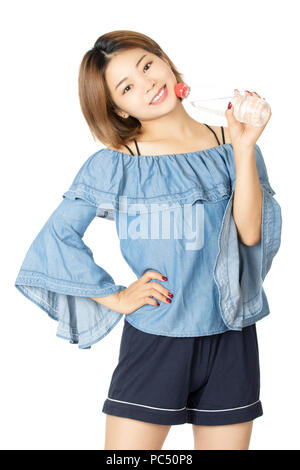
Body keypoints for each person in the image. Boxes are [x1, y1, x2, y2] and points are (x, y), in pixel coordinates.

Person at [14, 30, 282, 450]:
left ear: (164, 60)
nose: (147, 84)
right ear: (116, 108)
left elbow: (250, 233)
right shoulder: (116, 164)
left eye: (147, 65)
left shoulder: (230, 142)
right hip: (156, 338)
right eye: (127, 87)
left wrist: (244, 146)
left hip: (232, 334)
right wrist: (116, 297)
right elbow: (56, 238)